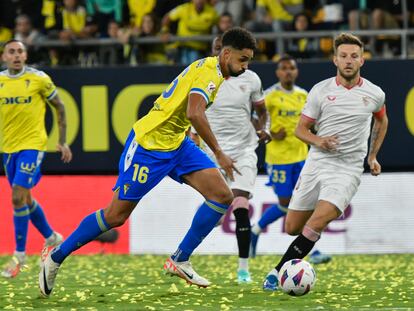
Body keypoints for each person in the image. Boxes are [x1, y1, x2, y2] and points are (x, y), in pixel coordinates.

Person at [39, 27, 256, 297]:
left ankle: (180, 259)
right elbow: (194, 112)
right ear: (226, 54)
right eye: (243, 60)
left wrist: (190, 135)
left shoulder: (211, 69)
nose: (246, 67)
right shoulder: (211, 73)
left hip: (177, 144)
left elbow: (181, 105)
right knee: (115, 216)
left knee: (222, 195)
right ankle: (56, 257)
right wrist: (219, 153)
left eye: (248, 61)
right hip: (149, 146)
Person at [262, 33, 388, 291]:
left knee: (316, 223)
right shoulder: (321, 91)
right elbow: (301, 130)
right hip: (317, 162)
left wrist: (372, 155)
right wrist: (319, 141)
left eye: (354, 56)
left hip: (348, 169)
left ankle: (277, 273)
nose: (348, 61)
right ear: (335, 60)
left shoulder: (375, 94)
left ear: (362, 60)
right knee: (292, 227)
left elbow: (382, 120)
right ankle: (296, 255)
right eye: (343, 56)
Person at [182, 35, 268, 284]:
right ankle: (184, 255)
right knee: (217, 211)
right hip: (212, 152)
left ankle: (243, 269)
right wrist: (194, 144)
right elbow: (194, 116)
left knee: (240, 205)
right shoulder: (204, 77)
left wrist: (265, 129)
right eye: (217, 50)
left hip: (243, 151)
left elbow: (262, 112)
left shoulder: (251, 79)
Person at [0, 40, 73, 278]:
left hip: (33, 145)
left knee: (16, 196)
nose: (16, 55)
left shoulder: (39, 78)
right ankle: (52, 236)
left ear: (26, 54)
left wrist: (62, 140)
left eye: (20, 51)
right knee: (26, 199)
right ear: (4, 57)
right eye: (12, 52)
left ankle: (19, 257)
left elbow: (60, 107)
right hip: (8, 148)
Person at [250, 55, 331, 265]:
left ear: (296, 71)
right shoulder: (270, 95)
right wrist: (267, 131)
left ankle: (311, 250)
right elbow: (252, 116)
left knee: (304, 203)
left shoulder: (303, 95)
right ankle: (255, 230)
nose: (288, 72)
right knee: (286, 204)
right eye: (284, 68)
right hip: (278, 159)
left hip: (302, 157)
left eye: (291, 68)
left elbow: (310, 123)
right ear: (278, 72)